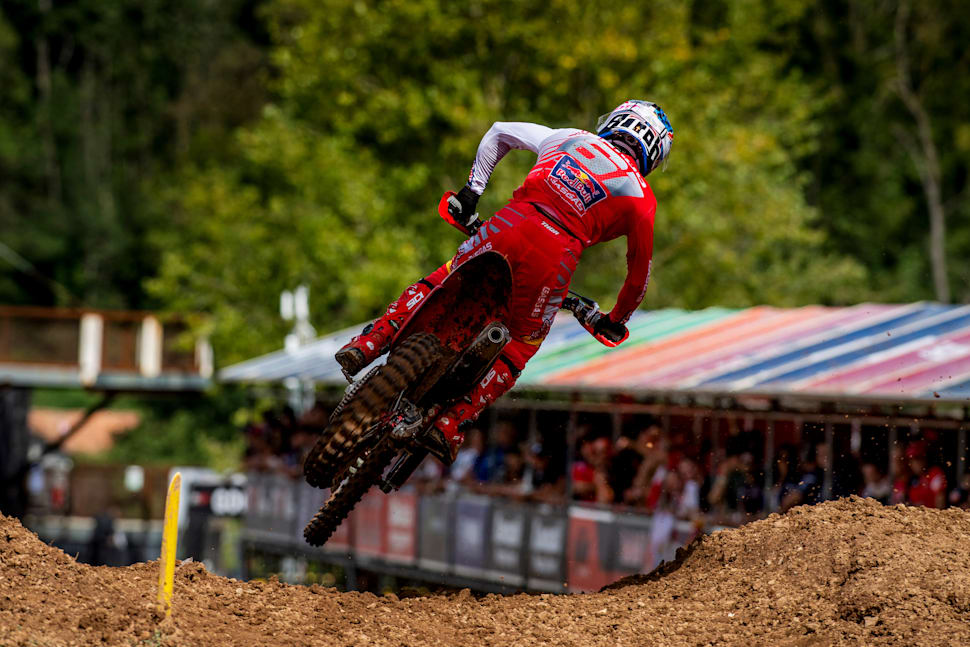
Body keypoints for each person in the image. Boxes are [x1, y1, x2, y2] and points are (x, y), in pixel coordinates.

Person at [334, 100, 674, 463]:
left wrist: (470, 195)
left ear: (617, 121)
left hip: (507, 225)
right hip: (555, 256)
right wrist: (614, 319)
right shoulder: (641, 198)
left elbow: (499, 132)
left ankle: (371, 341)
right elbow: (638, 278)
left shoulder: (571, 138)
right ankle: (451, 423)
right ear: (653, 153)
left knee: (441, 279)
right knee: (521, 343)